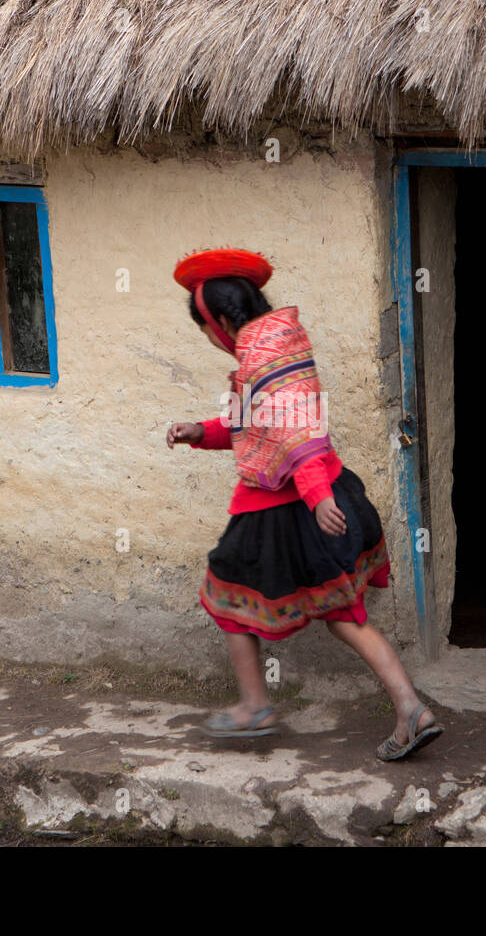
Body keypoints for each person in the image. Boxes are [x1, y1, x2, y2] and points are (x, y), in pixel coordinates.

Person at [166, 248, 443, 761]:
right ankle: (411, 708)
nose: (208, 340)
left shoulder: (261, 359)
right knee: (343, 613)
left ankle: (254, 705)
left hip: (278, 510)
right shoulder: (279, 345)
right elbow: (259, 425)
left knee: (226, 596)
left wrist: (316, 499)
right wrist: (199, 432)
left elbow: (299, 434)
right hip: (320, 496)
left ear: (221, 321)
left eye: (204, 329)